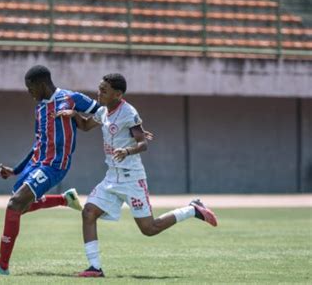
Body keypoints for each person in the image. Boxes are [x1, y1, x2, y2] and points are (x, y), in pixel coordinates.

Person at [57, 73, 218, 278]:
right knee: (88, 212)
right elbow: (87, 126)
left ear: (117, 94)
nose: (99, 93)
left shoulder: (128, 112)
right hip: (111, 177)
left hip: (132, 178)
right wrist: (74, 114)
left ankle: (192, 210)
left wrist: (127, 151)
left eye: (104, 90)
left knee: (149, 229)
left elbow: (143, 144)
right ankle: (95, 268)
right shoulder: (104, 110)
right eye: (99, 88)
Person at [0, 65, 100, 276]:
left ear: (41, 85)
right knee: (21, 208)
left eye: (30, 88)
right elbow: (37, 143)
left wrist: (78, 116)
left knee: (14, 203)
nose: (29, 92)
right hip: (36, 164)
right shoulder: (40, 109)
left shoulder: (71, 98)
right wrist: (15, 170)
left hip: (55, 165)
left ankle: (2, 266)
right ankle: (64, 199)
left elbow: (104, 111)